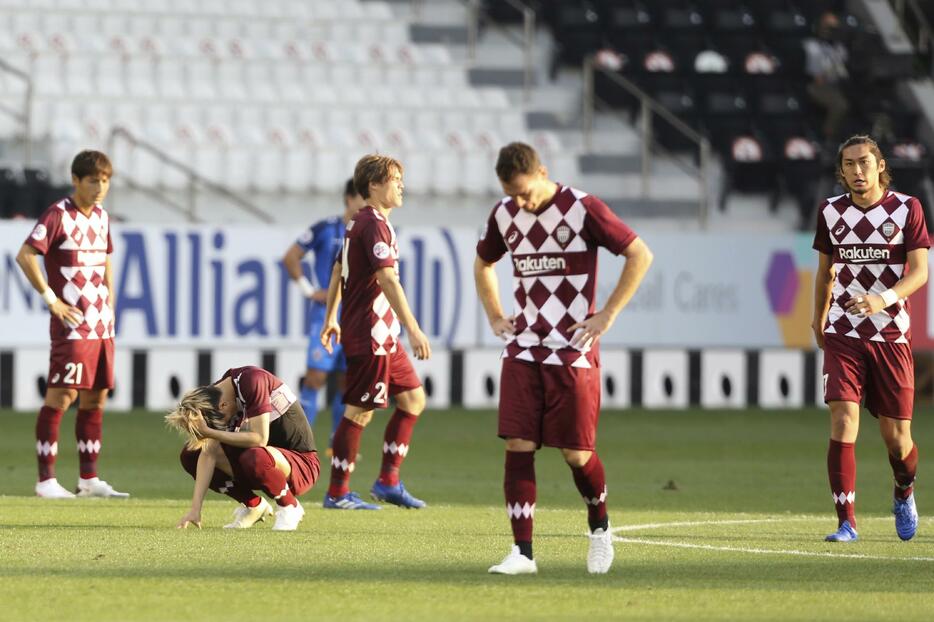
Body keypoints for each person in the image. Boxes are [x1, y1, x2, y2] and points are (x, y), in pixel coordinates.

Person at [475, 142, 653, 575]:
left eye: (525, 192)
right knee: (519, 445)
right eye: (512, 194)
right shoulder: (504, 214)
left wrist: (607, 313)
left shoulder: (582, 207)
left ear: (542, 172)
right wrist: (496, 316)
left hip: (572, 350)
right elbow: (483, 263)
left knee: (576, 454)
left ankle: (599, 527)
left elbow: (639, 254)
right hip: (523, 347)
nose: (520, 202)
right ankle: (523, 553)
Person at [812, 135, 928, 543]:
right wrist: (817, 318)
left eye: (864, 163)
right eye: (848, 165)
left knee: (898, 441)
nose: (857, 171)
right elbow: (825, 271)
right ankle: (847, 521)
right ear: (840, 171)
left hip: (891, 334)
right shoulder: (830, 212)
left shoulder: (907, 209)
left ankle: (904, 490)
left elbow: (919, 272)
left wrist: (883, 299)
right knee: (844, 417)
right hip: (843, 330)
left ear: (880, 166)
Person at [319, 154, 431, 510]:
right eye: (394, 179)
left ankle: (388, 481)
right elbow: (387, 278)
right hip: (371, 334)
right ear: (374, 185)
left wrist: (330, 317)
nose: (401, 186)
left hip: (383, 335)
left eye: (401, 179)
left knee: (413, 399)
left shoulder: (359, 222)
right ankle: (337, 493)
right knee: (359, 412)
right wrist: (414, 328)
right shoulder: (374, 225)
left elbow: (338, 268)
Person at [15, 150, 128, 499]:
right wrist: (52, 300)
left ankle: (88, 479)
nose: (99, 187)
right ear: (76, 180)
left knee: (96, 399)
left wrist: (110, 303)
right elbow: (25, 254)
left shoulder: (102, 218)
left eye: (105, 180)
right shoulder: (58, 215)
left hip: (100, 324)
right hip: (73, 323)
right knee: (62, 396)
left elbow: (105, 261)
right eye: (93, 180)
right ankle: (46, 481)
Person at [166, 365, 319, 531]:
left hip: (301, 466)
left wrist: (210, 432)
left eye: (220, 422)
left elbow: (260, 439)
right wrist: (195, 510)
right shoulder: (219, 394)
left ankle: (289, 506)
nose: (222, 425)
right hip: (263, 462)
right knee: (191, 455)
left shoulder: (253, 381)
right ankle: (253, 506)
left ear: (223, 406)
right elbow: (208, 453)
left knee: (254, 456)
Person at [282, 179, 365, 441]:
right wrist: (310, 291)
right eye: (363, 198)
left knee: (347, 382)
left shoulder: (370, 231)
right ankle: (299, 440)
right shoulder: (326, 228)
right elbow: (291, 257)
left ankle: (337, 442)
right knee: (315, 377)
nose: (367, 204)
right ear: (349, 199)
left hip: (354, 315)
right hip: (326, 313)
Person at [803, 11, 850, 143]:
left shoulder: (839, 48)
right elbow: (817, 77)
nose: (831, 31)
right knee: (840, 105)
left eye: (834, 28)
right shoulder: (812, 46)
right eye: (828, 27)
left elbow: (844, 70)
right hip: (817, 86)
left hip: (838, 84)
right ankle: (827, 137)